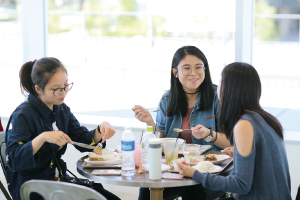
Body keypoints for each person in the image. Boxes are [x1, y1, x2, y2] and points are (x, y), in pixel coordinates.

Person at [5, 57, 121, 200]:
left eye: (66, 86)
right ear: (38, 89)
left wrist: (101, 128)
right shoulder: (22, 115)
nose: (64, 93)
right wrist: (42, 138)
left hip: (57, 180)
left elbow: (83, 139)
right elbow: (13, 160)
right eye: (56, 89)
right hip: (33, 188)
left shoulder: (61, 109)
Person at [177, 62, 292, 200]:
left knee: (194, 191)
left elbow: (241, 185)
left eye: (220, 83)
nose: (217, 89)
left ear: (228, 90)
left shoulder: (244, 124)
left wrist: (194, 173)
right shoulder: (266, 118)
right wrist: (237, 153)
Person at [133, 46, 230, 199]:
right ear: (175, 72)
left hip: (209, 171)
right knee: (147, 189)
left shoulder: (217, 97)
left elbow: (231, 142)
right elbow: (162, 140)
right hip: (175, 168)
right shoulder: (167, 99)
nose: (194, 73)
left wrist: (209, 134)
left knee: (192, 190)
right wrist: (149, 122)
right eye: (186, 68)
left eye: (198, 67)